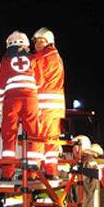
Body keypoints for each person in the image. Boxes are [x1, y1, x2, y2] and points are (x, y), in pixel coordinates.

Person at [0, 31, 41, 180]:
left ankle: (7, 173)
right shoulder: (33, 59)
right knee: (33, 136)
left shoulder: (6, 60)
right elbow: (39, 81)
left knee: (9, 136)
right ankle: (32, 173)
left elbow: (0, 85)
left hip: (11, 100)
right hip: (30, 99)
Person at [31, 27, 65, 180]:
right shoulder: (57, 57)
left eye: (40, 41)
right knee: (51, 140)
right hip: (56, 107)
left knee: (38, 138)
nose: (37, 44)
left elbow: (36, 82)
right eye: (36, 42)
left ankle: (32, 172)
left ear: (48, 42)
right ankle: (52, 171)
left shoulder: (40, 58)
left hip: (43, 104)